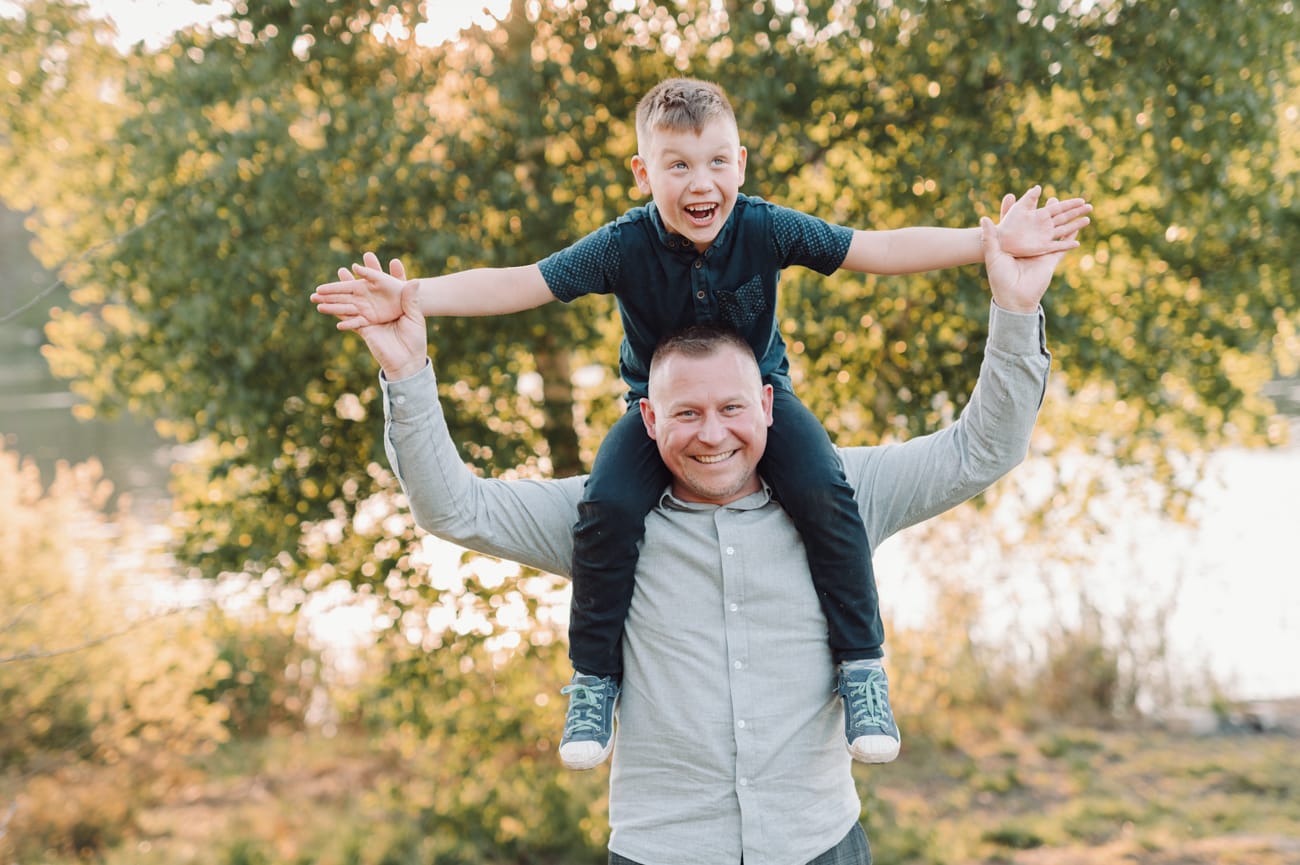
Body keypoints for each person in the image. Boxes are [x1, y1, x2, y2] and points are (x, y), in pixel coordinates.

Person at [311, 76, 1091, 770]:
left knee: (827, 495)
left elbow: (875, 248)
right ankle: (593, 681)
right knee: (608, 511)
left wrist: (988, 245)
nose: (700, 182)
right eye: (677, 165)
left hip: (768, 400)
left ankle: (862, 668)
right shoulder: (620, 246)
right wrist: (416, 300)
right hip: (652, 419)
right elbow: (522, 282)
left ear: (741, 165)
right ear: (644, 173)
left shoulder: (768, 228)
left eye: (717, 162)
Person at [340, 211, 1074, 865]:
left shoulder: (847, 493)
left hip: (820, 845)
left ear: (766, 404)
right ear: (649, 420)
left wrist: (1015, 308)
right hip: (662, 849)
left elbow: (984, 450)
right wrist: (407, 373)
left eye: (731, 407)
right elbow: (453, 508)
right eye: (686, 413)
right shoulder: (601, 518)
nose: (713, 433)